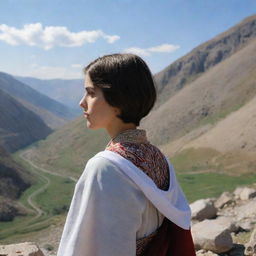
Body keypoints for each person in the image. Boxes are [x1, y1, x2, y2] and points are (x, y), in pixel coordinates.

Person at [57, 53, 196, 256]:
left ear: (118, 100)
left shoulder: (106, 168)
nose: (82, 102)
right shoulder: (158, 158)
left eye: (91, 93)